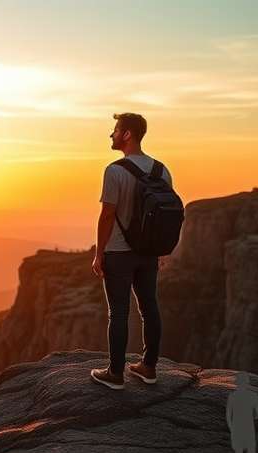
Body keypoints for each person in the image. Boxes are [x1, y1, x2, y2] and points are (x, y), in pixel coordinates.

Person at [90, 112, 172, 390]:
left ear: (126, 135)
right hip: (149, 252)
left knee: (119, 313)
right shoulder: (161, 170)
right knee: (150, 307)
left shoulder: (114, 170)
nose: (111, 135)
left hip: (119, 253)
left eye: (114, 130)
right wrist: (162, 249)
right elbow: (166, 215)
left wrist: (99, 254)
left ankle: (115, 374)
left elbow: (107, 216)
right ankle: (148, 367)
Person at [225, 372, 258, 453]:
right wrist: (231, 428)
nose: (243, 383)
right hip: (242, 426)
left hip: (244, 427)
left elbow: (229, 414)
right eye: (242, 381)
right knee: (243, 450)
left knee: (246, 450)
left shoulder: (250, 396)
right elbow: (228, 414)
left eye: (244, 381)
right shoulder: (236, 396)